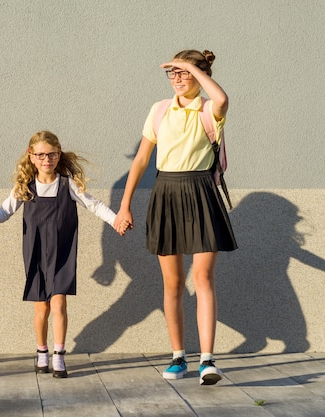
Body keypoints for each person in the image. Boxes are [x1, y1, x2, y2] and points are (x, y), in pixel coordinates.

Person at [114, 50, 237, 385]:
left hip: (200, 193)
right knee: (172, 283)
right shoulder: (159, 110)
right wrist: (124, 206)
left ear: (200, 74)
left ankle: (208, 360)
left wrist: (193, 70)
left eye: (185, 73)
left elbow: (222, 96)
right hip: (166, 192)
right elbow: (140, 160)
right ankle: (178, 357)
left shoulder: (211, 108)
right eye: (173, 73)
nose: (178, 79)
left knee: (203, 278)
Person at [0, 131, 126, 378]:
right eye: (41, 155)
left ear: (59, 154)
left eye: (52, 154)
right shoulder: (25, 187)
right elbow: (3, 212)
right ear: (31, 156)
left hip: (63, 251)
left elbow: (94, 205)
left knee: (59, 302)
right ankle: (41, 352)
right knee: (41, 307)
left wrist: (115, 221)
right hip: (35, 252)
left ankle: (59, 355)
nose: (46, 159)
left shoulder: (68, 184)